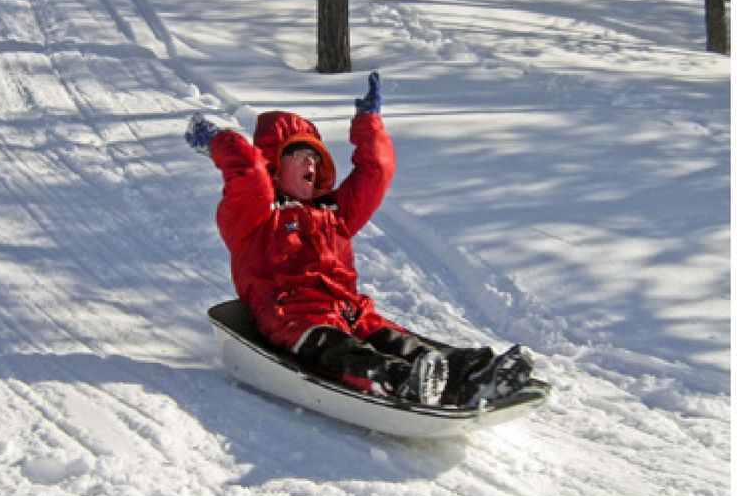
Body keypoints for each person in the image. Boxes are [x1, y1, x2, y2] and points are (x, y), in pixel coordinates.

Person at [185, 72, 534, 407]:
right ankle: (399, 382)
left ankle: (473, 373)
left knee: (399, 342)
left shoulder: (333, 213)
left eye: (315, 155)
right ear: (275, 163)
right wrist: (221, 141)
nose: (312, 160)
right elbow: (248, 173)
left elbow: (375, 173)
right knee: (343, 352)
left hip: (349, 311)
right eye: (299, 153)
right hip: (293, 317)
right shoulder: (257, 216)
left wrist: (369, 124)